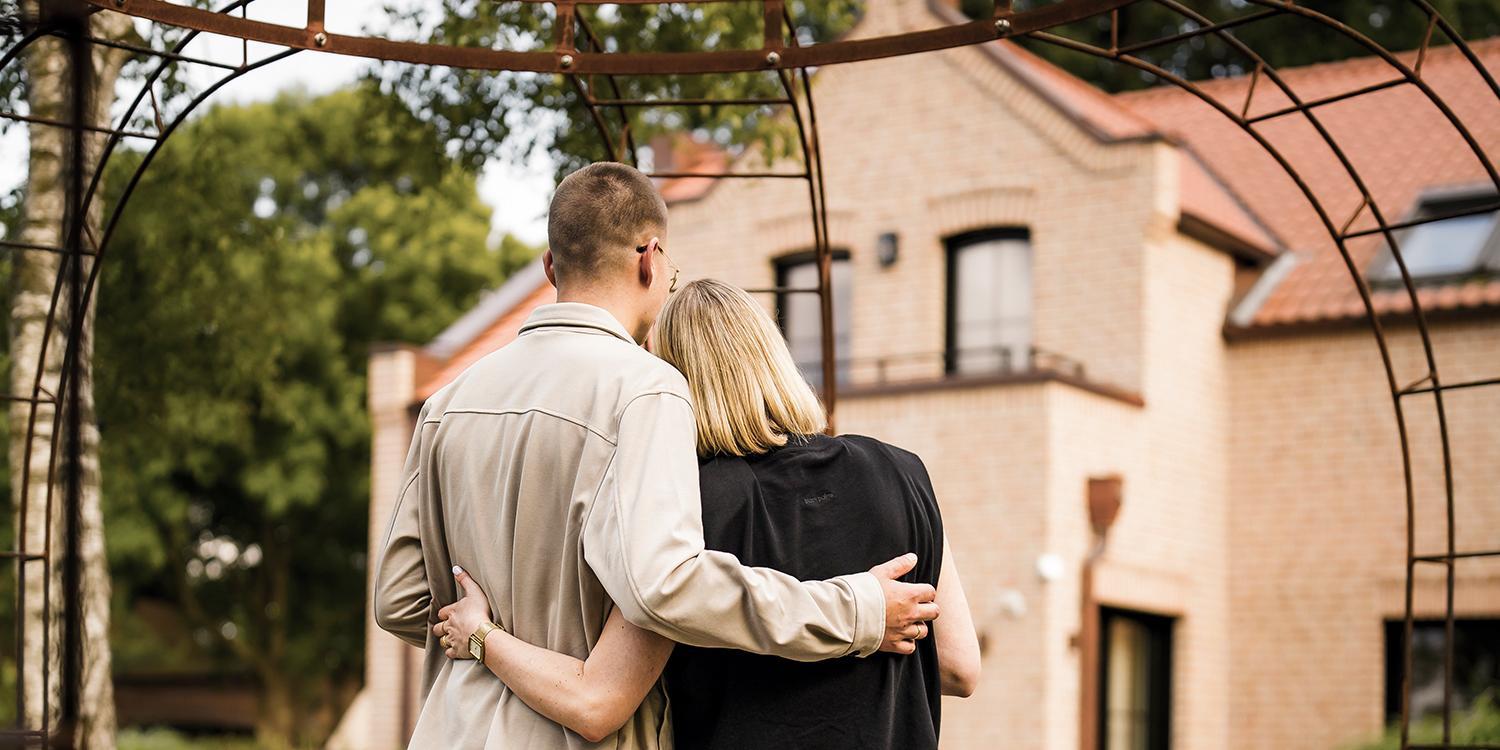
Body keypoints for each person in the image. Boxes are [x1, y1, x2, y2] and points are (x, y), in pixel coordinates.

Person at [371, 163, 940, 749]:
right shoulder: (646, 389)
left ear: (550, 267)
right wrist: (855, 610)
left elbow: (399, 600)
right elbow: (666, 586)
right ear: (651, 257)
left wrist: (486, 634)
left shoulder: (445, 404)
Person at [438, 279, 982, 749]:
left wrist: (483, 635)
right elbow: (959, 668)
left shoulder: (686, 504)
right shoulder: (903, 472)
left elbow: (595, 701)